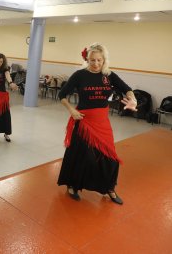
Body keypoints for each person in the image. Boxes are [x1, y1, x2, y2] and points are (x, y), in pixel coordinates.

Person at [57, 43, 137, 205]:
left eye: (99, 60)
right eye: (92, 60)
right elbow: (62, 94)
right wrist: (71, 110)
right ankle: (73, 185)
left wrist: (133, 100)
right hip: (83, 120)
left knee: (109, 156)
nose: (96, 63)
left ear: (104, 60)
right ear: (87, 59)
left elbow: (127, 89)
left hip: (102, 121)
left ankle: (109, 188)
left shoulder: (109, 75)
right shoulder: (80, 75)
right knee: (81, 155)